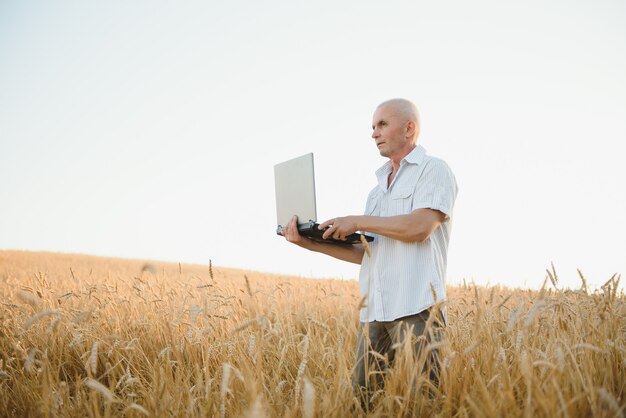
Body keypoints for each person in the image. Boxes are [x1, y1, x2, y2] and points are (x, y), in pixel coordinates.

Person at [281, 98, 458, 408]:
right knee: (364, 402)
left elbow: (419, 227)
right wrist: (308, 242)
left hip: (418, 308)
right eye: (373, 127)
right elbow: (368, 253)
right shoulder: (376, 192)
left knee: (425, 402)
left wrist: (357, 220)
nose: (374, 133)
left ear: (409, 128)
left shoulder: (433, 169)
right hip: (375, 311)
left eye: (382, 124)